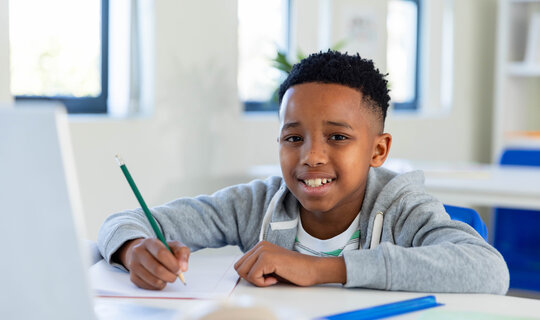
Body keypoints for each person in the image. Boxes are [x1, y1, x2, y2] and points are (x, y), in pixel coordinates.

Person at [98, 50, 509, 294]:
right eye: (293, 138)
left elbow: (489, 270)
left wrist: (321, 269)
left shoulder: (402, 207)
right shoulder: (256, 204)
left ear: (378, 150)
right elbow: (125, 220)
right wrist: (133, 250)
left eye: (338, 137)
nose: (311, 156)